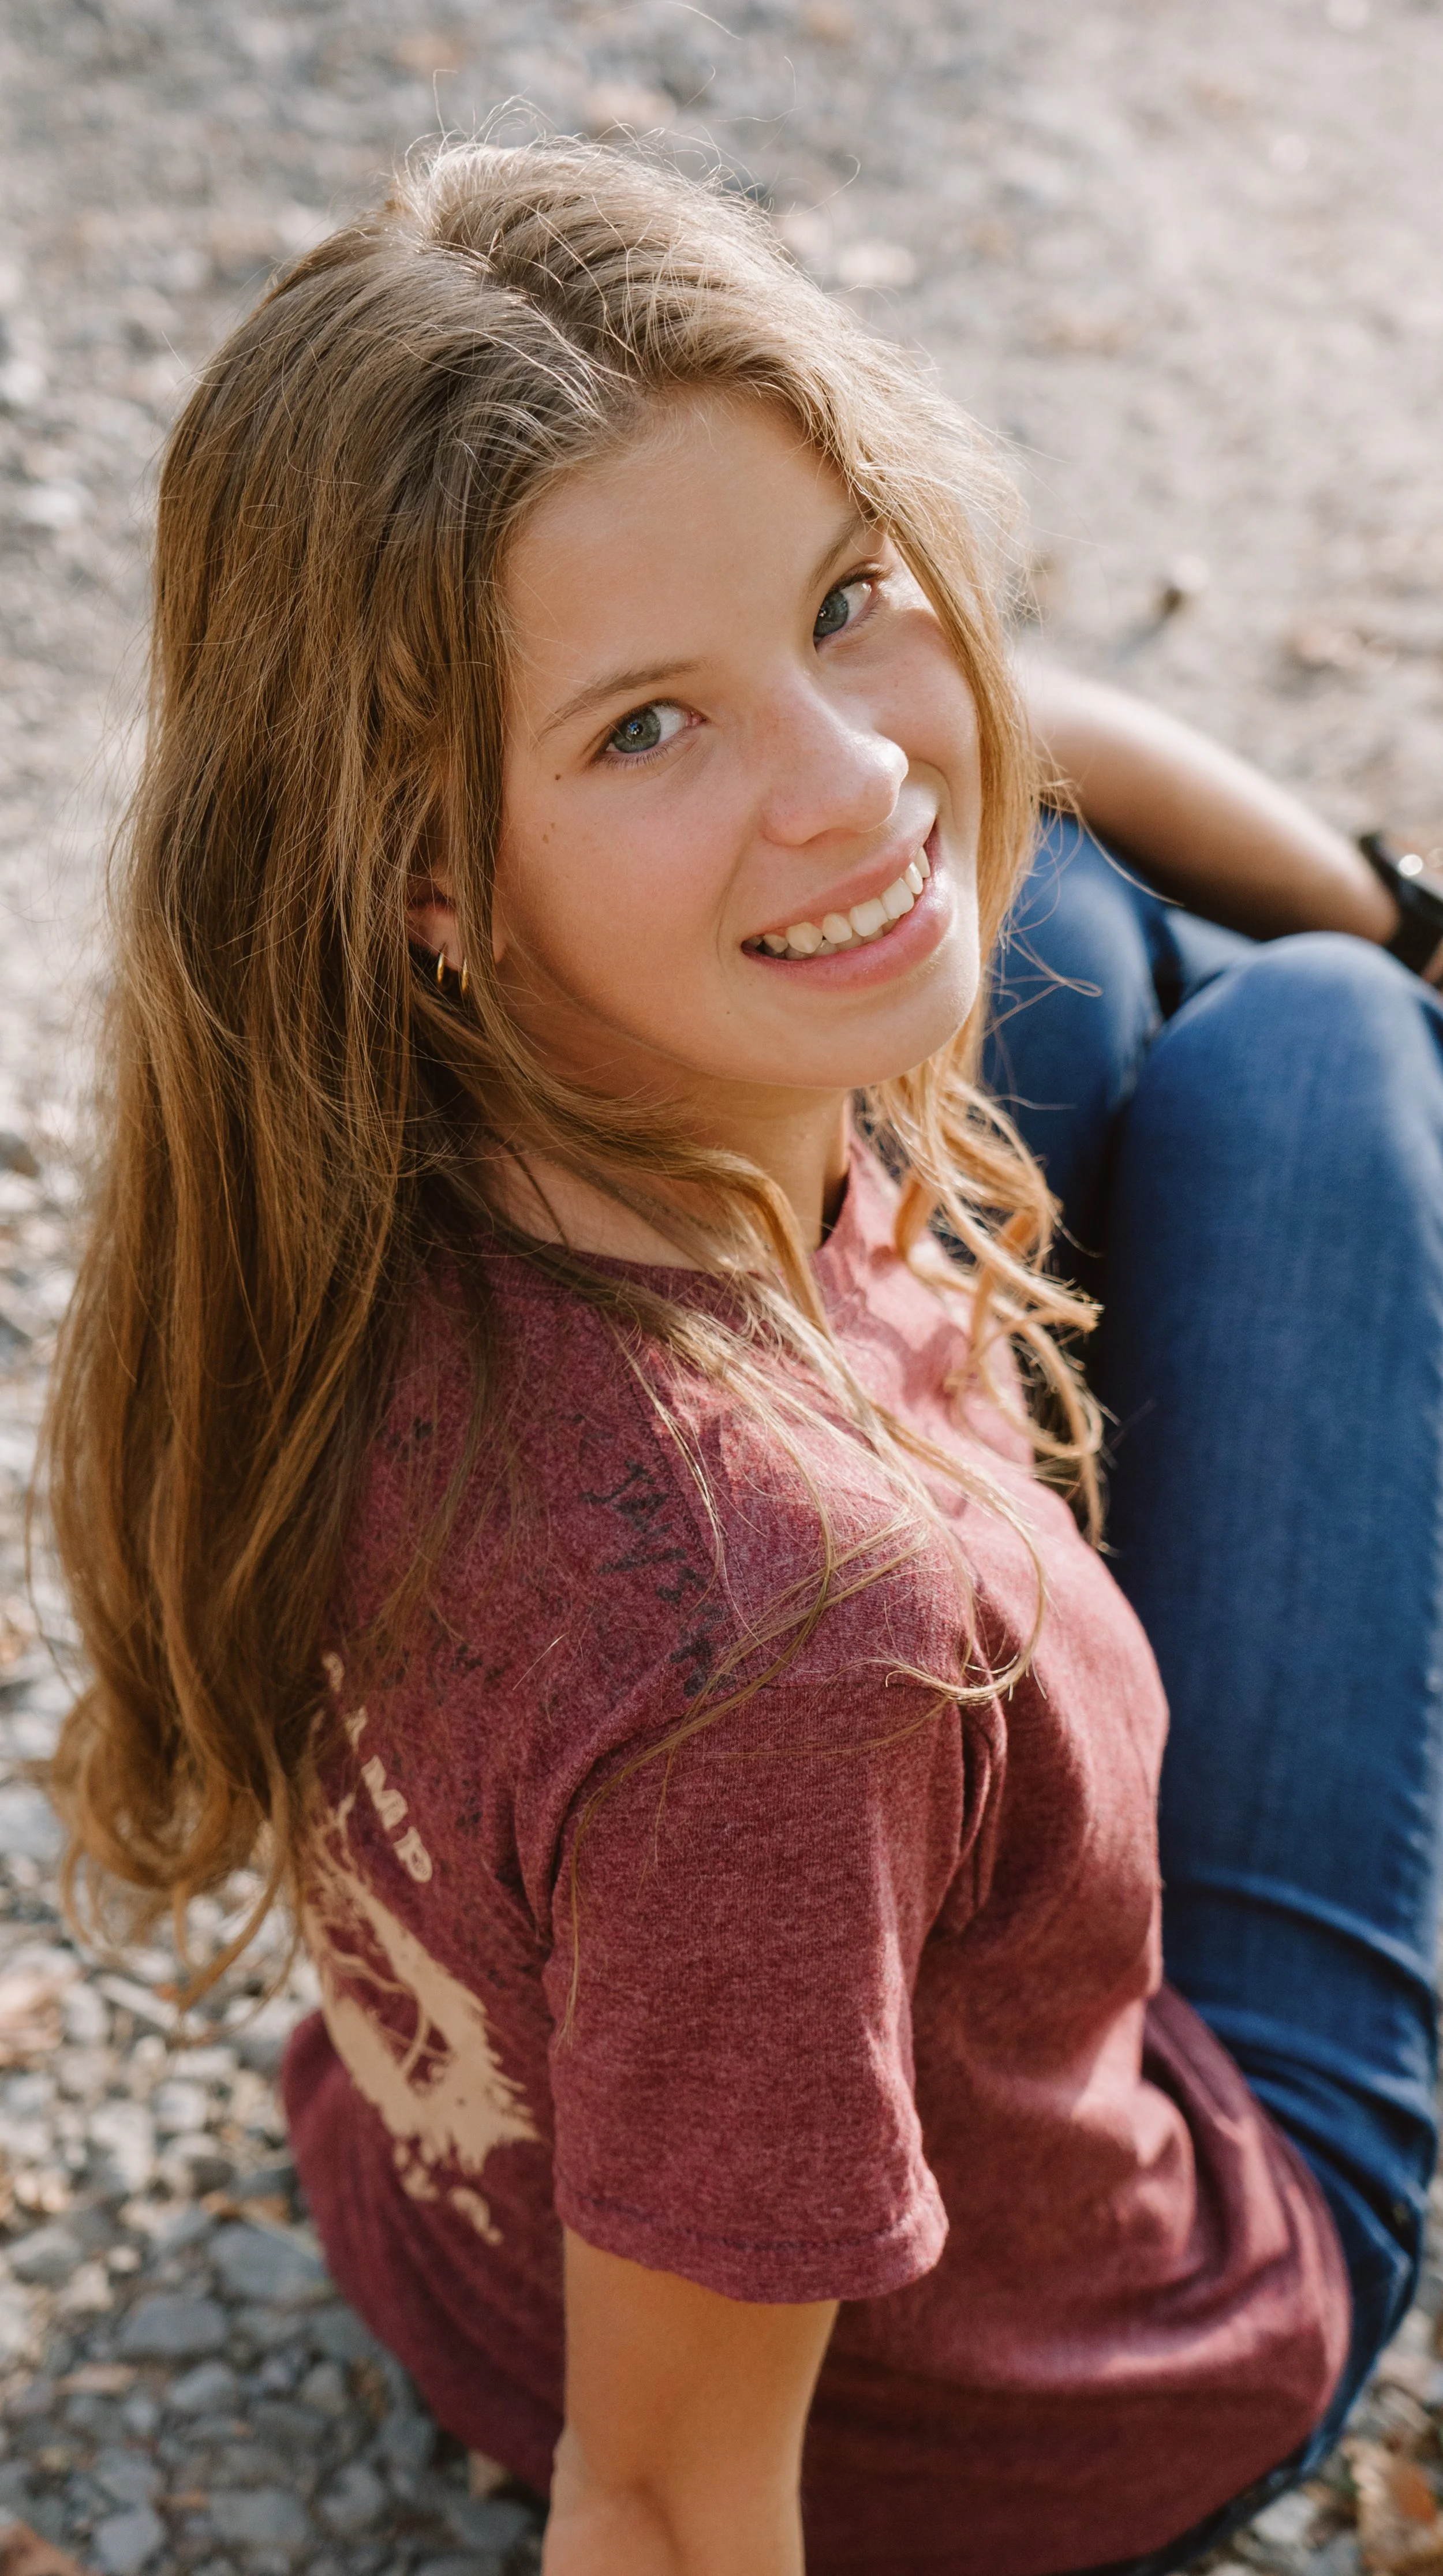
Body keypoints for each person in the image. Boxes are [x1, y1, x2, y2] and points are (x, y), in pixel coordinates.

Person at [40, 136, 1443, 2576]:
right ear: (420, 874)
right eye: (645, 730)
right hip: (1031, 2405)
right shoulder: (799, 1654)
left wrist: (1399, 899)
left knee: (1077, 941)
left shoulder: (340, 1133)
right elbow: (675, 2509)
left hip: (475, 2252)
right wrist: (1379, 949)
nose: (843, 771)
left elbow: (976, 736)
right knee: (1319, 1052)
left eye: (846, 595)